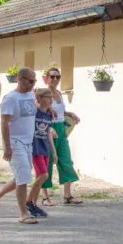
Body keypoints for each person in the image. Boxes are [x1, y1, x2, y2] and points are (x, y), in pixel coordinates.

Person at [0, 67, 39, 224]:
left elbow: (42, 99)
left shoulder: (31, 94)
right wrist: (7, 146)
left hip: (28, 142)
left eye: (34, 81)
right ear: (20, 79)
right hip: (15, 142)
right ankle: (23, 212)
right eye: (31, 81)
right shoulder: (11, 98)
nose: (33, 84)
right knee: (23, 177)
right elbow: (4, 122)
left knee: (22, 175)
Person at [41, 67, 83, 206]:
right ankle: (45, 197)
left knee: (66, 161)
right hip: (48, 130)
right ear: (46, 78)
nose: (55, 79)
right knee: (46, 163)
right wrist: (49, 127)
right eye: (52, 77)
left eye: (58, 77)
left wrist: (70, 114)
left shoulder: (59, 93)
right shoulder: (43, 93)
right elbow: (40, 113)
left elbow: (61, 111)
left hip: (61, 130)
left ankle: (67, 195)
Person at [26, 88, 58, 218]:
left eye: (52, 97)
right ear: (39, 99)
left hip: (45, 148)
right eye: (47, 97)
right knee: (44, 175)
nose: (51, 99)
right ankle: (28, 201)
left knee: (40, 177)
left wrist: (53, 151)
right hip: (35, 149)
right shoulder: (34, 112)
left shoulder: (49, 115)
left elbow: (48, 133)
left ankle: (34, 204)